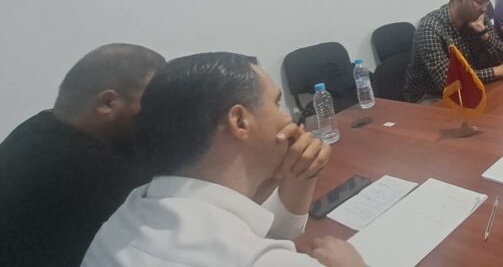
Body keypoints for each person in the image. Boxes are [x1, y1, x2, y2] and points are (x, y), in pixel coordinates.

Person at [83, 52, 365, 266]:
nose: (287, 118)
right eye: (276, 103)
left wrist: (300, 176)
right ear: (239, 121)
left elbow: (272, 233)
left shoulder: (128, 212)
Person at [0, 43, 165, 267]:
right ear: (107, 103)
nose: (156, 116)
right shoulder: (91, 170)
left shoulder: (37, 128)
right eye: (151, 104)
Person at [404, 0, 503, 102]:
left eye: (486, 2)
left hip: (470, 87)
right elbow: (450, 82)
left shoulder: (477, 17)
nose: (484, 8)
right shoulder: (430, 28)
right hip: (430, 97)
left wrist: (484, 34)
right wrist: (498, 71)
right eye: (480, 2)